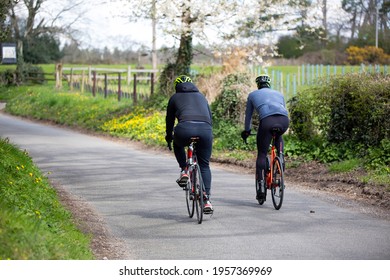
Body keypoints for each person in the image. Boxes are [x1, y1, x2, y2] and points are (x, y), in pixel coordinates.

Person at [165, 75, 214, 213]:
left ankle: (184, 169)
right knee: (204, 165)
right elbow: (210, 118)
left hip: (184, 129)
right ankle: (206, 200)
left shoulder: (174, 98)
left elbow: (169, 120)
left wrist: (169, 137)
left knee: (178, 143)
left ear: (177, 87)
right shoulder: (201, 96)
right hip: (205, 130)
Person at [241, 74, 289, 201]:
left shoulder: (252, 95)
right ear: (269, 84)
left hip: (267, 121)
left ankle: (261, 187)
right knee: (278, 135)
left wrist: (247, 131)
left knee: (262, 154)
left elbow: (248, 116)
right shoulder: (279, 94)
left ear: (258, 85)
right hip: (284, 120)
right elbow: (283, 109)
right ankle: (281, 159)